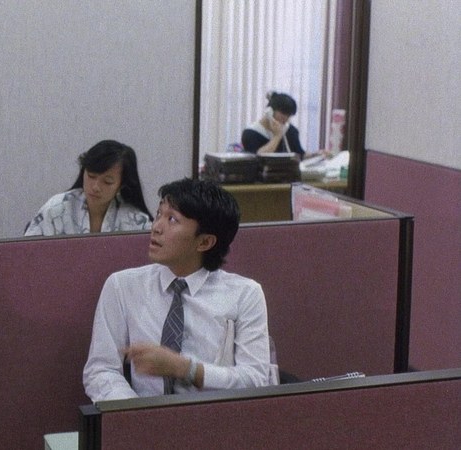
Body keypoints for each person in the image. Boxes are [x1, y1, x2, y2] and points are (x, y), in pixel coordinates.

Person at [83, 178, 275, 402]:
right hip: (140, 414)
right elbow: (101, 370)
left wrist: (186, 369)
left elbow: (255, 380)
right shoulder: (122, 286)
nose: (156, 227)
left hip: (216, 416)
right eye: (159, 214)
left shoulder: (245, 295)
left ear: (204, 242)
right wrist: (135, 412)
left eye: (172, 219)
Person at [24, 140, 153, 236]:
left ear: (121, 185)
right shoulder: (56, 209)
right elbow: (28, 254)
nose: (96, 187)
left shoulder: (136, 221)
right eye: (91, 176)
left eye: (107, 182)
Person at [241, 92, 305, 159]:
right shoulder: (250, 133)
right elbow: (258, 158)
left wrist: (312, 156)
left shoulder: (290, 130)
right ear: (270, 111)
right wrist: (277, 136)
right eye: (283, 114)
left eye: (288, 116)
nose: (285, 120)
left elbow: (300, 155)